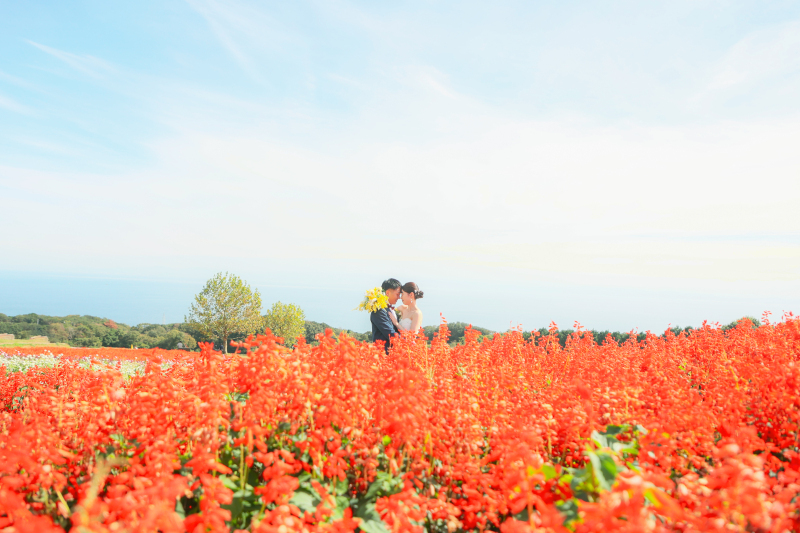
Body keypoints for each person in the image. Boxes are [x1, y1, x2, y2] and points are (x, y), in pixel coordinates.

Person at [370, 278, 401, 353]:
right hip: (384, 354)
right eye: (397, 294)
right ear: (387, 293)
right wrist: (408, 342)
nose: (399, 297)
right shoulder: (379, 311)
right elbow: (390, 334)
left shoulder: (391, 310)